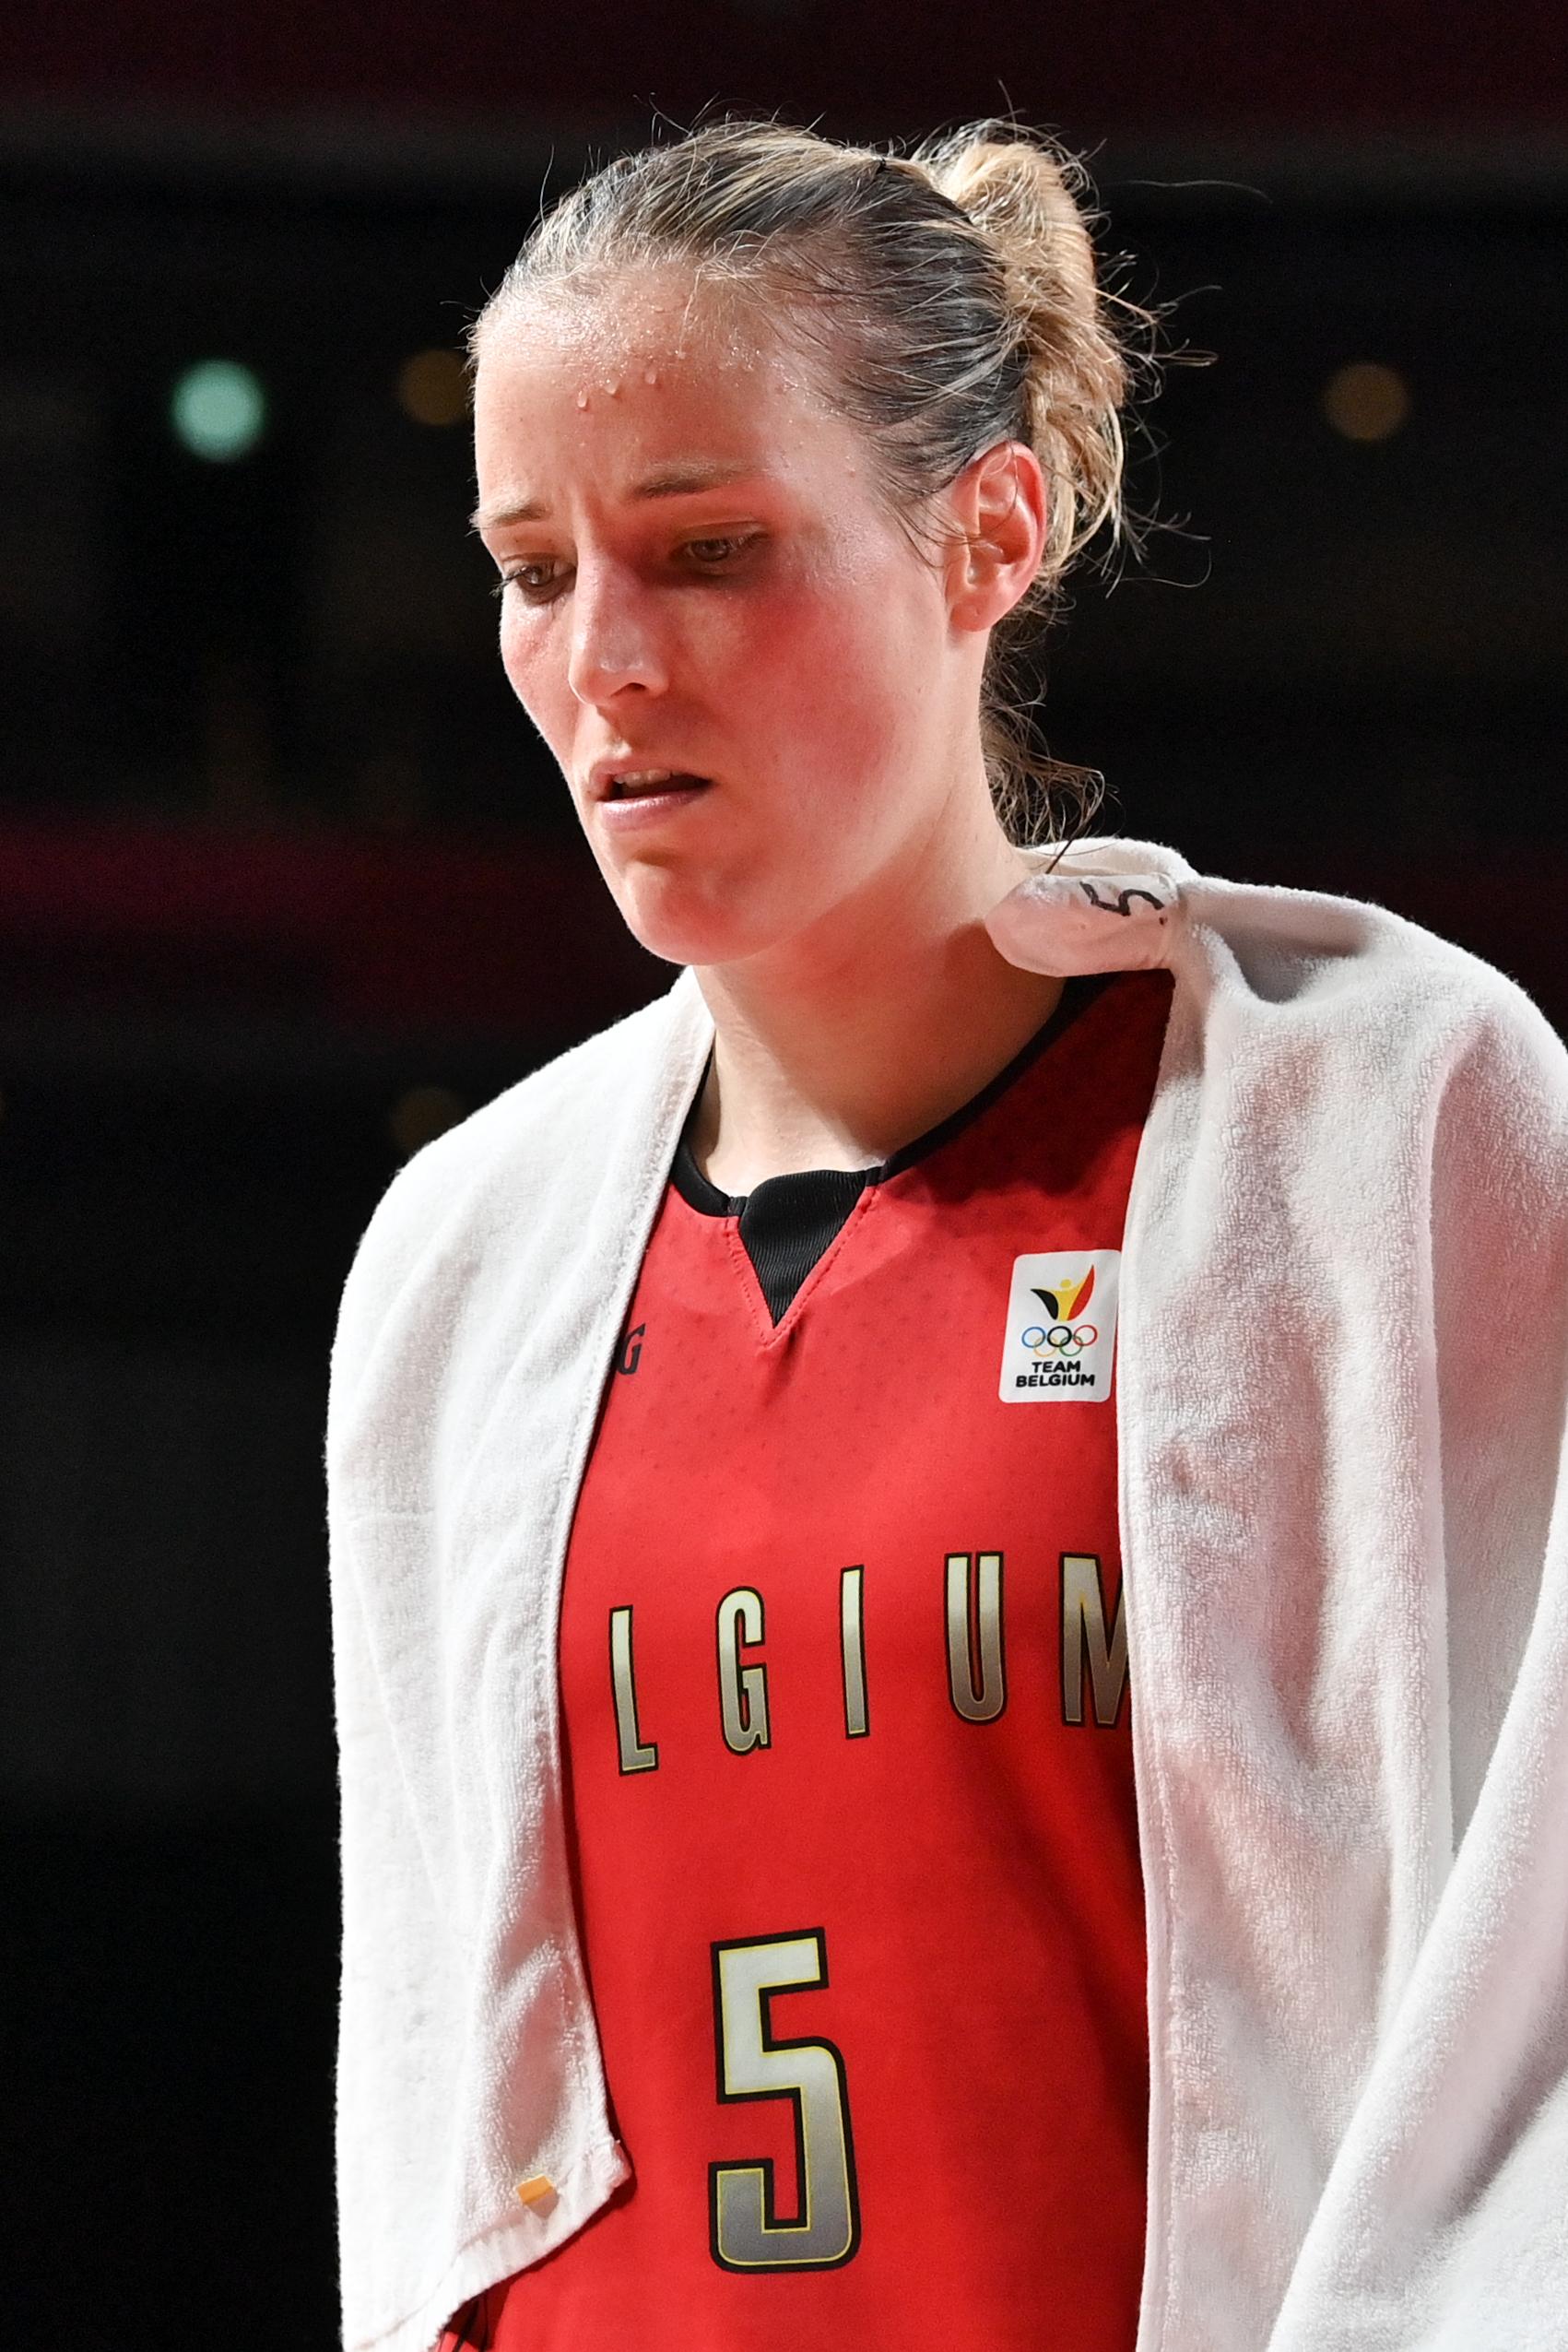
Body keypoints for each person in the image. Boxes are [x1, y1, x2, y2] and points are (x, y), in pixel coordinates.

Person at [325, 118, 1568, 2352]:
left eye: (706, 547)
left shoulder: (1382, 1119)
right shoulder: (457, 1263)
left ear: (987, 528)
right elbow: (435, 2112)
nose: (603, 658)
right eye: (531, 564)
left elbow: (1530, 2009)